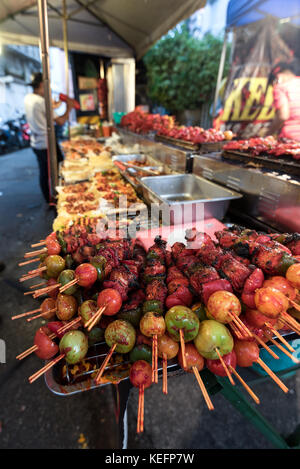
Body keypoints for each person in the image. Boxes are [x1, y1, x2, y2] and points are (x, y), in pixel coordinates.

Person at [24, 72, 74, 203]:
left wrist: (55, 104)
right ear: (42, 84)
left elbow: (48, 109)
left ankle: (49, 198)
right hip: (46, 142)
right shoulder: (42, 102)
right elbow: (61, 121)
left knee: (44, 171)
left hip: (36, 142)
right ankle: (55, 199)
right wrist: (69, 108)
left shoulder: (29, 98)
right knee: (54, 170)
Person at [266, 61, 300, 141]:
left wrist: (268, 134)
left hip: (291, 139)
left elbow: (283, 116)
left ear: (278, 77)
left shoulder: (281, 88)